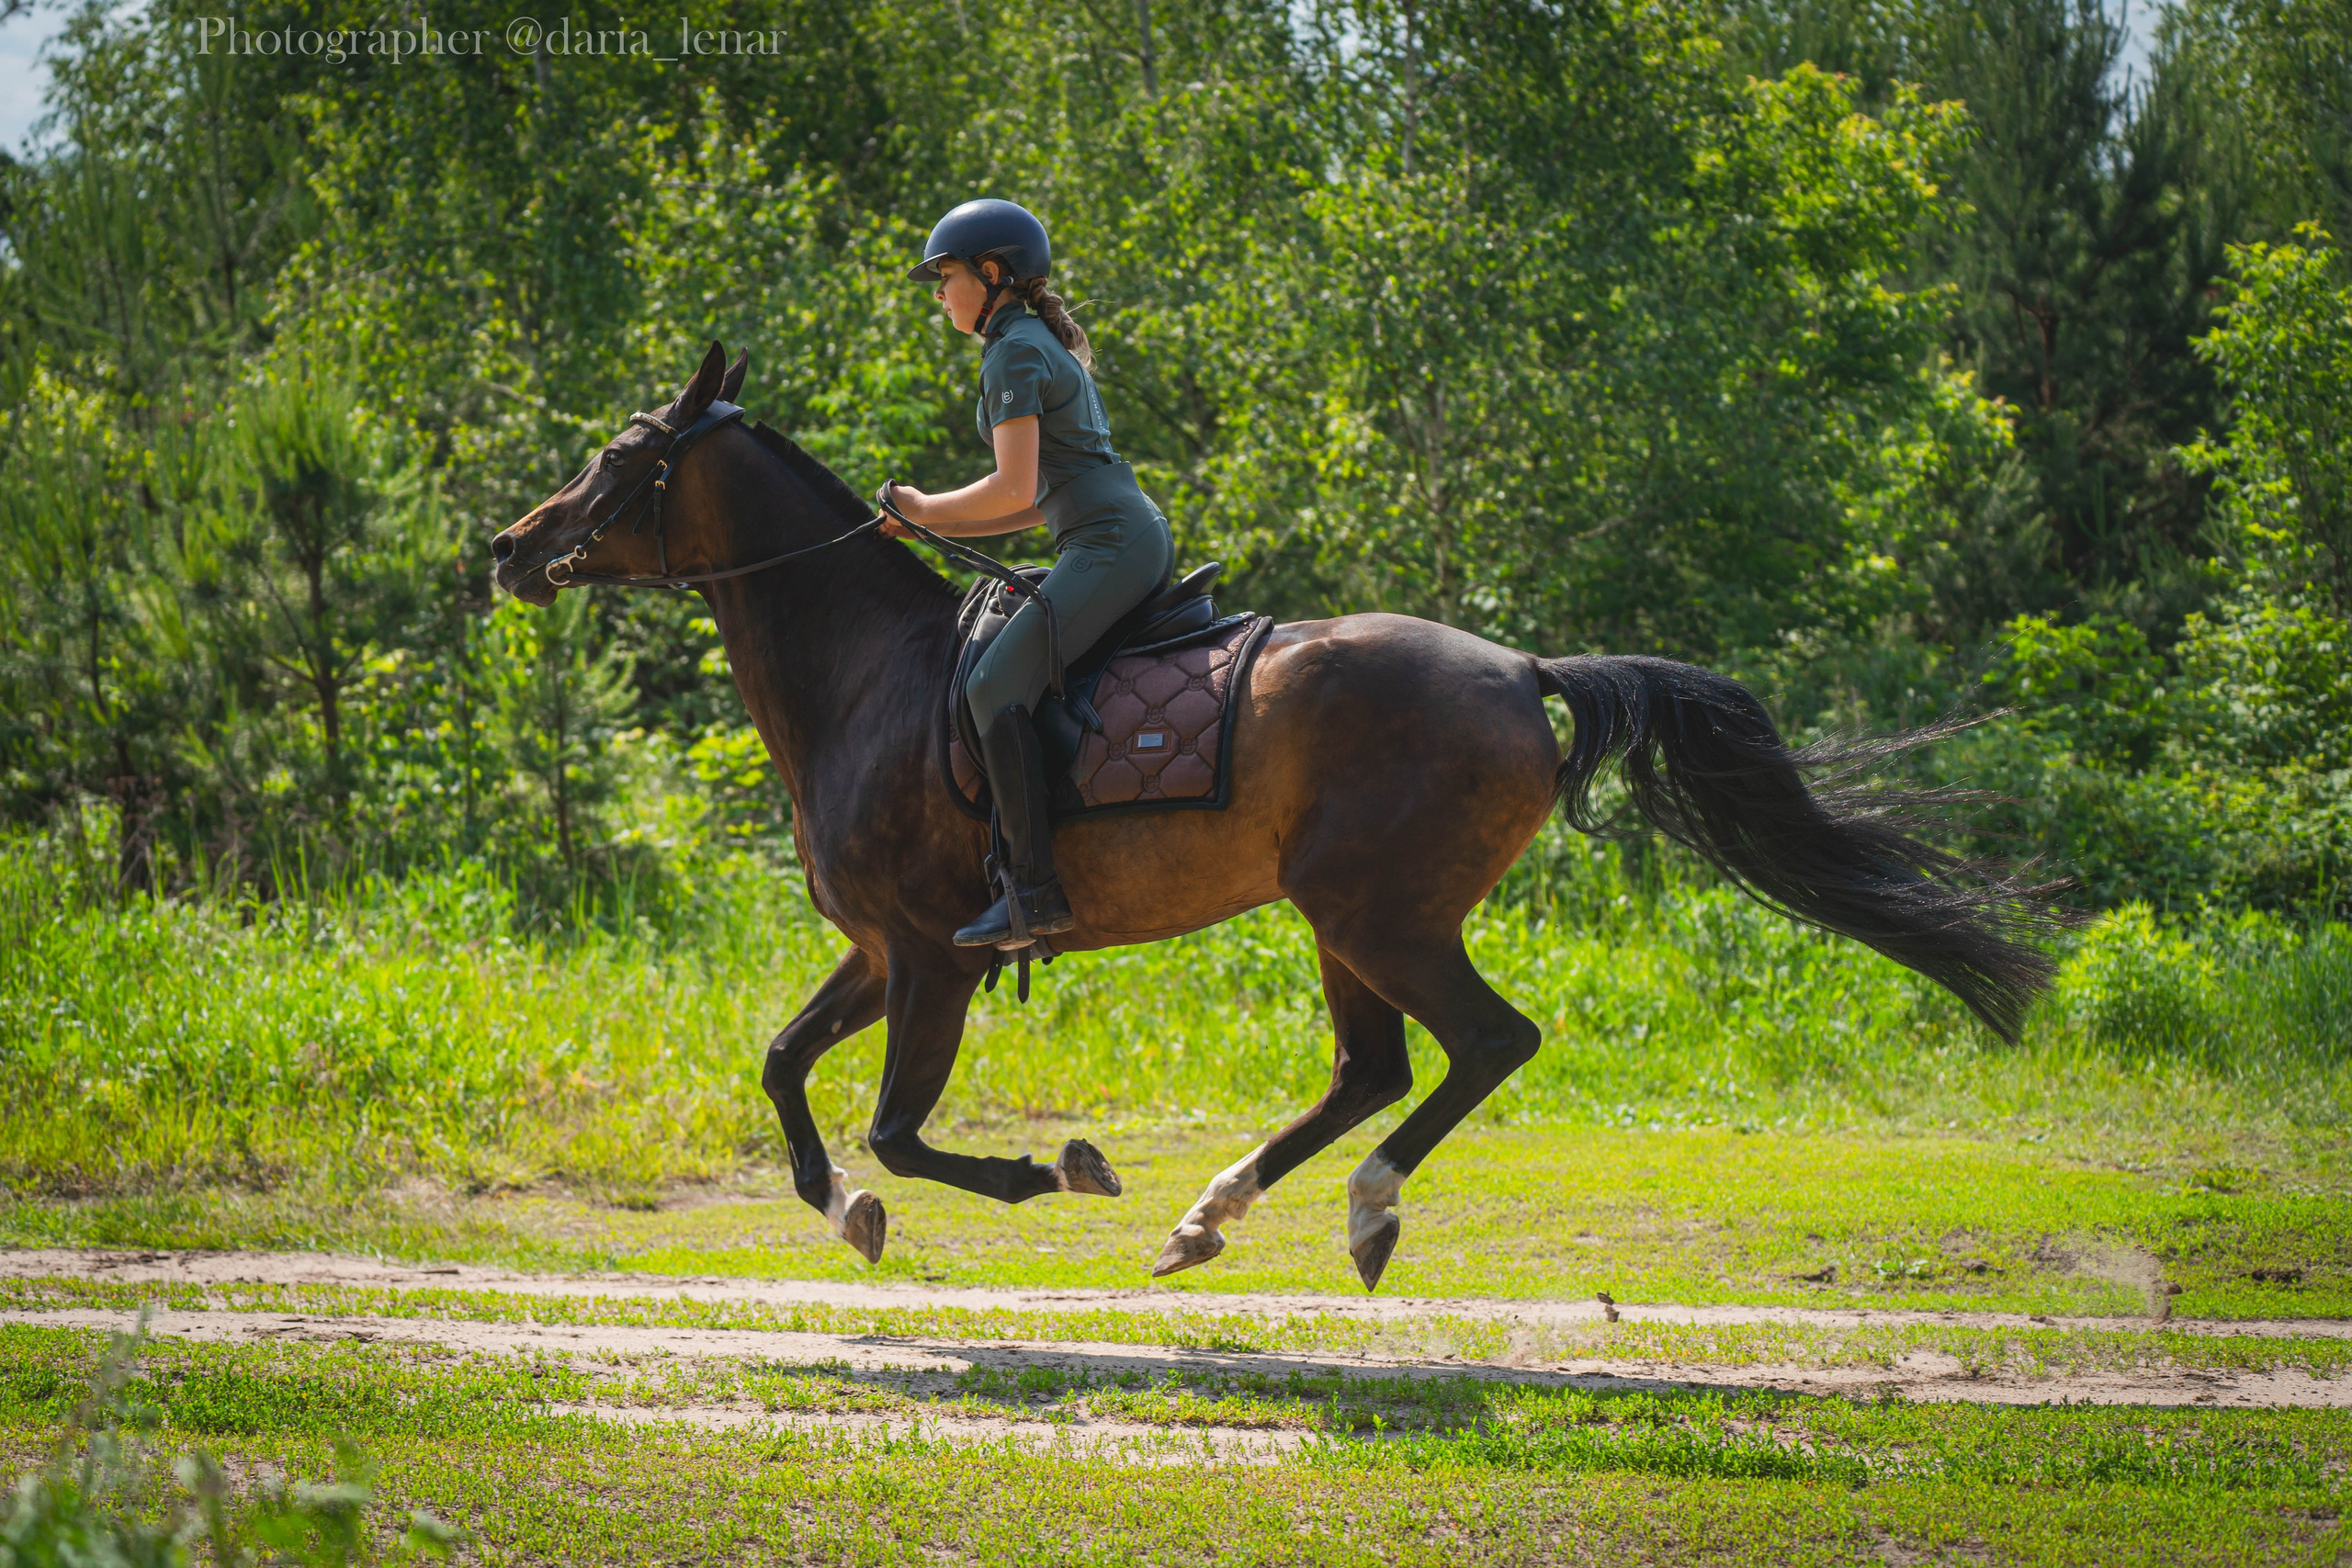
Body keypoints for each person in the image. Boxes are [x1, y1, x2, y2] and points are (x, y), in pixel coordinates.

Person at [877, 198, 1175, 949]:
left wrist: (920, 503)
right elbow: (1030, 501)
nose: (938, 292)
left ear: (991, 272)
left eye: (944, 276)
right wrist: (926, 519)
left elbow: (1012, 492)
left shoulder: (1014, 350)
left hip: (1109, 544)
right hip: (1106, 535)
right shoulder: (1025, 338)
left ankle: (1033, 894)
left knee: (989, 685)